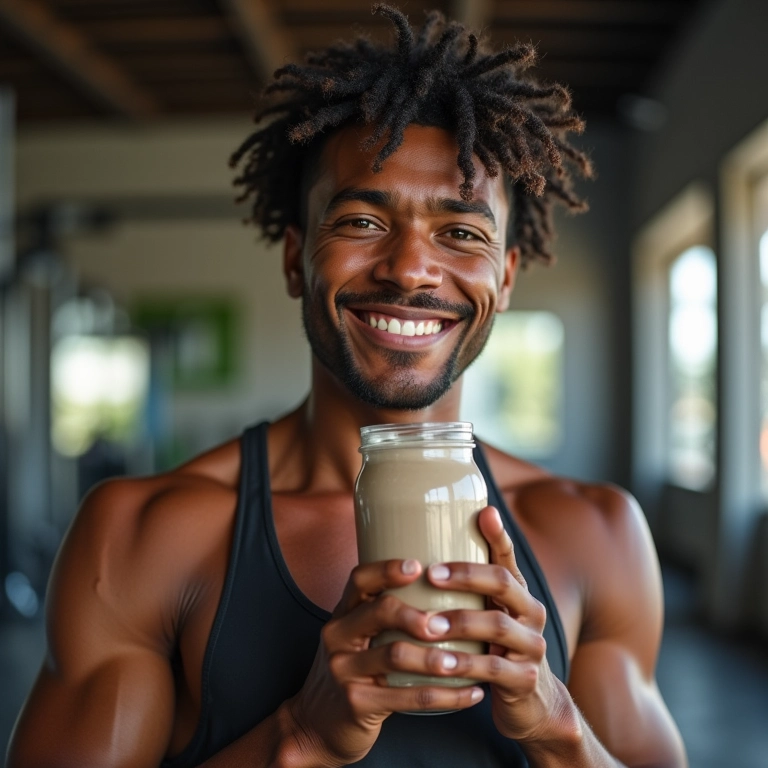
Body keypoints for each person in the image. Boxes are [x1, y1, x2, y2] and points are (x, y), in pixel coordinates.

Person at [7, 6, 687, 767]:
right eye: (362, 222)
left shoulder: (597, 535)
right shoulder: (142, 536)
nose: (411, 269)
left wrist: (559, 728)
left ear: (505, 275)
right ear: (297, 259)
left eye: (461, 233)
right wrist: (299, 737)